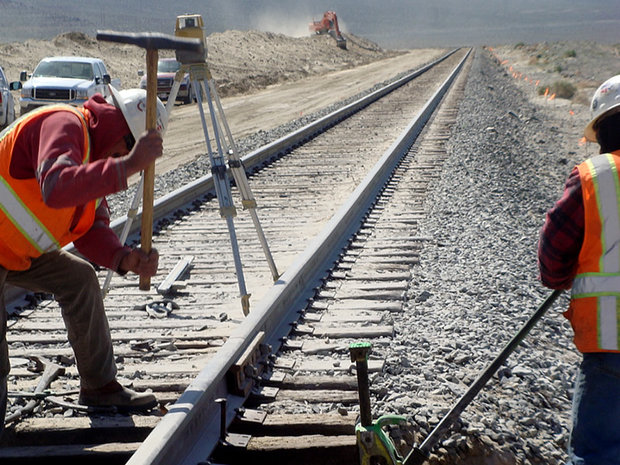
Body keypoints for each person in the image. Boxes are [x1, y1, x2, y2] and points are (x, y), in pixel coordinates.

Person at [0, 85, 169, 431]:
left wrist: (125, 258)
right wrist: (127, 166)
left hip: (14, 250)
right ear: (118, 131)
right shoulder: (64, 124)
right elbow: (56, 185)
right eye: (126, 148)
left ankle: (100, 386)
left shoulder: (93, 159)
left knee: (80, 279)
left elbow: (89, 228)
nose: (123, 157)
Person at [538, 75, 620, 465]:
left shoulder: (595, 176)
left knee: (597, 455)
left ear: (602, 130)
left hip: (611, 346)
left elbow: (553, 257)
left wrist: (564, 277)